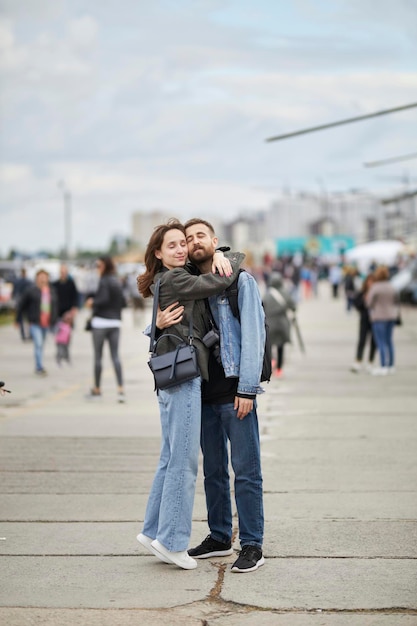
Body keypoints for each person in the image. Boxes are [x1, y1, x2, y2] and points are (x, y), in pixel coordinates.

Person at [157, 218, 266, 573]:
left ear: (215, 240)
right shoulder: (189, 282)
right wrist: (155, 324)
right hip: (199, 390)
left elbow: (254, 335)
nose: (193, 242)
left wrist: (247, 388)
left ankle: (252, 544)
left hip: (235, 390)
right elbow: (170, 323)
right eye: (188, 238)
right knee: (214, 471)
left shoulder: (240, 280)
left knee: (246, 470)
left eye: (200, 235)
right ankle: (220, 536)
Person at [136, 219, 244, 570]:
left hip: (170, 373)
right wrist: (231, 256)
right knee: (183, 461)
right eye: (173, 245)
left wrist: (157, 324)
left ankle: (152, 530)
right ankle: (172, 541)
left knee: (170, 457)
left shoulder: (165, 278)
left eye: (183, 242)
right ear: (158, 252)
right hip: (183, 376)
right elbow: (219, 281)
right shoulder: (176, 278)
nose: (182, 248)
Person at [84, 256, 126, 402]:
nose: (97, 268)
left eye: (98, 265)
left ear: (104, 266)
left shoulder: (104, 280)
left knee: (98, 357)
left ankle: (97, 388)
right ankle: (120, 389)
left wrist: (92, 302)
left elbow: (103, 299)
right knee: (115, 356)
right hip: (115, 322)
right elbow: (123, 301)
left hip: (101, 322)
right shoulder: (116, 280)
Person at [15, 269, 59, 375]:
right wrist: (18, 319)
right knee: (38, 344)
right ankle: (39, 367)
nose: (43, 279)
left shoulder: (51, 290)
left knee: (41, 344)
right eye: (41, 277)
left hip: (47, 322)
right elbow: (21, 305)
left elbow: (55, 306)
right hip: (35, 322)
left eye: (45, 277)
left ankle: (39, 363)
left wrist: (55, 319)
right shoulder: (31, 291)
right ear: (37, 278)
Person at [365, 265, 399, 376]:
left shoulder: (375, 287)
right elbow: (396, 300)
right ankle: (391, 365)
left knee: (381, 342)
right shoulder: (392, 286)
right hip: (391, 316)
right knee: (389, 341)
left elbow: (369, 303)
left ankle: (383, 365)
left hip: (379, 317)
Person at [262, 271, 296, 379]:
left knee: (270, 345)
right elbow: (293, 306)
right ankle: (280, 369)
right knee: (280, 347)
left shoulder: (267, 294)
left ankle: (272, 360)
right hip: (282, 324)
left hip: (270, 324)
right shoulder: (285, 293)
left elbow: (262, 307)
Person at [350, 274, 377, 373]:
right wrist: (363, 301)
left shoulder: (377, 293)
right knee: (362, 340)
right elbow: (356, 304)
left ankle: (370, 361)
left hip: (375, 319)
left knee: (374, 341)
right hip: (364, 318)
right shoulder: (362, 292)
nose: (370, 284)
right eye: (369, 282)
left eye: (372, 282)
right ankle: (358, 360)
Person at [12, 268, 32, 341]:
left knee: (21, 318)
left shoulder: (17, 281)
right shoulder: (29, 281)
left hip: (19, 300)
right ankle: (30, 334)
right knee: (28, 319)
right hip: (26, 302)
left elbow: (14, 292)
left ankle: (23, 334)